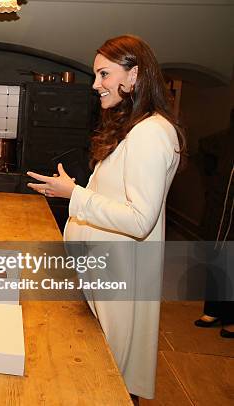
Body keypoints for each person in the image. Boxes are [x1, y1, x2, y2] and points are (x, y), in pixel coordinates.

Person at [27, 35, 185, 400]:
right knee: (101, 371)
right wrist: (75, 192)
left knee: (107, 380)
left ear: (135, 76)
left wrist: (76, 196)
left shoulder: (150, 134)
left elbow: (140, 219)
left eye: (104, 74)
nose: (95, 85)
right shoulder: (137, 127)